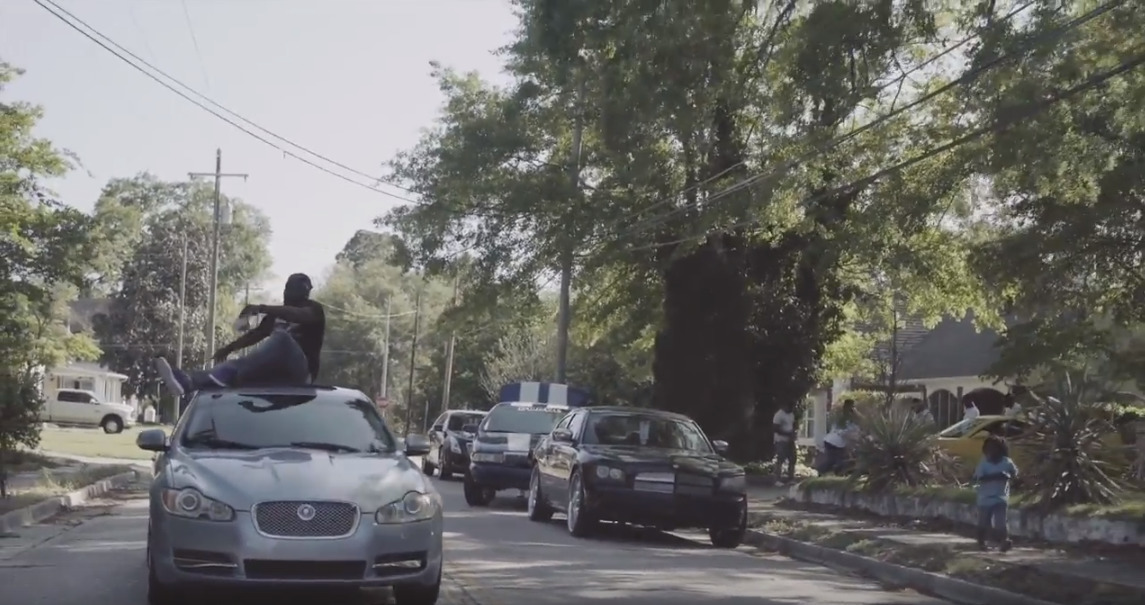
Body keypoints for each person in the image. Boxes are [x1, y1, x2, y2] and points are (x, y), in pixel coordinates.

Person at [154, 273, 326, 395]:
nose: (285, 293)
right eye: (286, 288)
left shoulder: (313, 309)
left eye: (289, 289)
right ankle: (189, 382)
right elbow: (255, 335)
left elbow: (300, 315)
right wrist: (228, 349)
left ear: (302, 293)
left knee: (282, 339)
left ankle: (221, 377)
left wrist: (261, 308)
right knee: (237, 367)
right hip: (277, 375)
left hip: (302, 374)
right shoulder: (277, 314)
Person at [971, 435, 1018, 551]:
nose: (992, 451)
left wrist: (1009, 476)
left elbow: (1015, 474)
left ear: (1001, 449)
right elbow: (979, 478)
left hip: (1001, 497)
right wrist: (997, 476)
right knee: (983, 521)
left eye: (994, 448)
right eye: (989, 448)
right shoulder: (984, 464)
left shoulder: (1007, 462)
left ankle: (1004, 541)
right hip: (985, 498)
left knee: (1001, 522)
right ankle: (981, 541)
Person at [817, 399, 858, 476]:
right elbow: (846, 432)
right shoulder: (849, 417)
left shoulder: (841, 415)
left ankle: (828, 472)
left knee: (838, 459)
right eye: (853, 406)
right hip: (835, 442)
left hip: (831, 440)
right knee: (836, 460)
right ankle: (822, 471)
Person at [772, 402, 798, 485]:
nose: (791, 409)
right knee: (780, 459)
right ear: (785, 405)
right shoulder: (779, 415)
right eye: (790, 407)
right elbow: (775, 429)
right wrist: (788, 434)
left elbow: (792, 425)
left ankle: (791, 478)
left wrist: (793, 432)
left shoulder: (791, 414)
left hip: (790, 440)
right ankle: (777, 480)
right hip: (781, 440)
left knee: (793, 459)